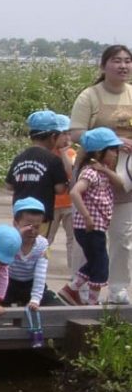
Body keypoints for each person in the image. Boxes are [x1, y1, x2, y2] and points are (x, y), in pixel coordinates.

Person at [70, 44, 132, 304]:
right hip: (94, 174)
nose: (123, 66)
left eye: (127, 61)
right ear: (103, 65)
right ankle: (80, 285)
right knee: (89, 234)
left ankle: (118, 286)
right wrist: (110, 141)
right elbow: (75, 133)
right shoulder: (89, 96)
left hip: (125, 174)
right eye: (116, 61)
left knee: (122, 235)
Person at [59, 128, 126, 306]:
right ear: (98, 152)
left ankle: (71, 289)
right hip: (89, 227)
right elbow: (75, 192)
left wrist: (106, 171)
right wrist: (87, 217)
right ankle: (92, 302)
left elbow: (121, 184)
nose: (115, 154)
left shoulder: (102, 171)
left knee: (94, 261)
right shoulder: (90, 172)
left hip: (97, 226)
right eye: (112, 150)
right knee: (101, 264)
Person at [4, 110, 69, 234]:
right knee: (37, 246)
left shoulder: (20, 157)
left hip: (20, 215)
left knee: (21, 245)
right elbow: (61, 189)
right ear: (53, 137)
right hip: (41, 216)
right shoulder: (53, 160)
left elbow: (9, 185)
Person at [0, 197, 60, 309]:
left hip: (30, 284)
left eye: (37, 227)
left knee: (54, 305)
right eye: (27, 226)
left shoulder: (43, 244)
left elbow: (40, 274)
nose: (32, 231)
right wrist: (16, 237)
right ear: (16, 224)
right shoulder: (9, 239)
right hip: (7, 282)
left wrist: (35, 299)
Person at [47, 114, 79, 274]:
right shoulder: (47, 153)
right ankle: (36, 269)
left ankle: (74, 272)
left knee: (72, 240)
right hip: (51, 204)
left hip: (68, 204)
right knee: (45, 239)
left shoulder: (71, 153)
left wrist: (65, 152)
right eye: (64, 134)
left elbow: (71, 173)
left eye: (69, 133)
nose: (67, 137)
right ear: (54, 136)